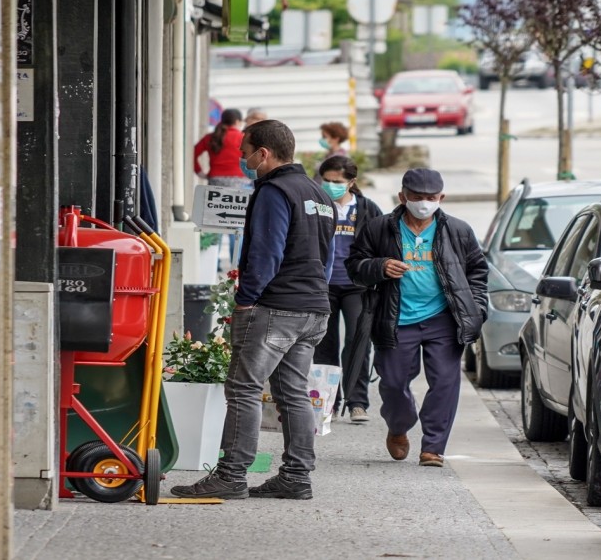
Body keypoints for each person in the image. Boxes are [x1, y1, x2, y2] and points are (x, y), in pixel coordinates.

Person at [171, 119, 336, 501]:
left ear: (264, 153)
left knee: (243, 387)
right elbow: (326, 260)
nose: (242, 159)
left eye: (245, 153)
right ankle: (296, 476)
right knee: (292, 391)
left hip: (276, 307)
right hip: (314, 307)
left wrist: (246, 298)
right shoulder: (320, 195)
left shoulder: (274, 191)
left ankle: (231, 475)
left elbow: (266, 252)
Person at [346, 169, 488, 467]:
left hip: (444, 320)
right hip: (396, 318)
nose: (424, 203)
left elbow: (477, 271)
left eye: (431, 198)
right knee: (393, 383)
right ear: (402, 197)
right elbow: (355, 265)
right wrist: (380, 266)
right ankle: (398, 426)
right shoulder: (379, 228)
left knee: (445, 383)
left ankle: (433, 447)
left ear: (441, 198)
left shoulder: (458, 230)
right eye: (417, 198)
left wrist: (475, 309)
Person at [313, 155, 383, 425]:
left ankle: (357, 402)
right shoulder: (317, 206)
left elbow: (381, 244)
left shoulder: (367, 209)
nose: (331, 186)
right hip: (323, 285)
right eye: (327, 181)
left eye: (338, 182)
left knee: (357, 342)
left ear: (351, 182)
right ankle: (328, 402)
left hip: (357, 286)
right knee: (324, 344)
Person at [193, 108, 246, 188]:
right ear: (237, 122)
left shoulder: (210, 137)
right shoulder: (243, 137)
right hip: (239, 180)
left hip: (215, 179)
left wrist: (199, 172)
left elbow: (193, 153)